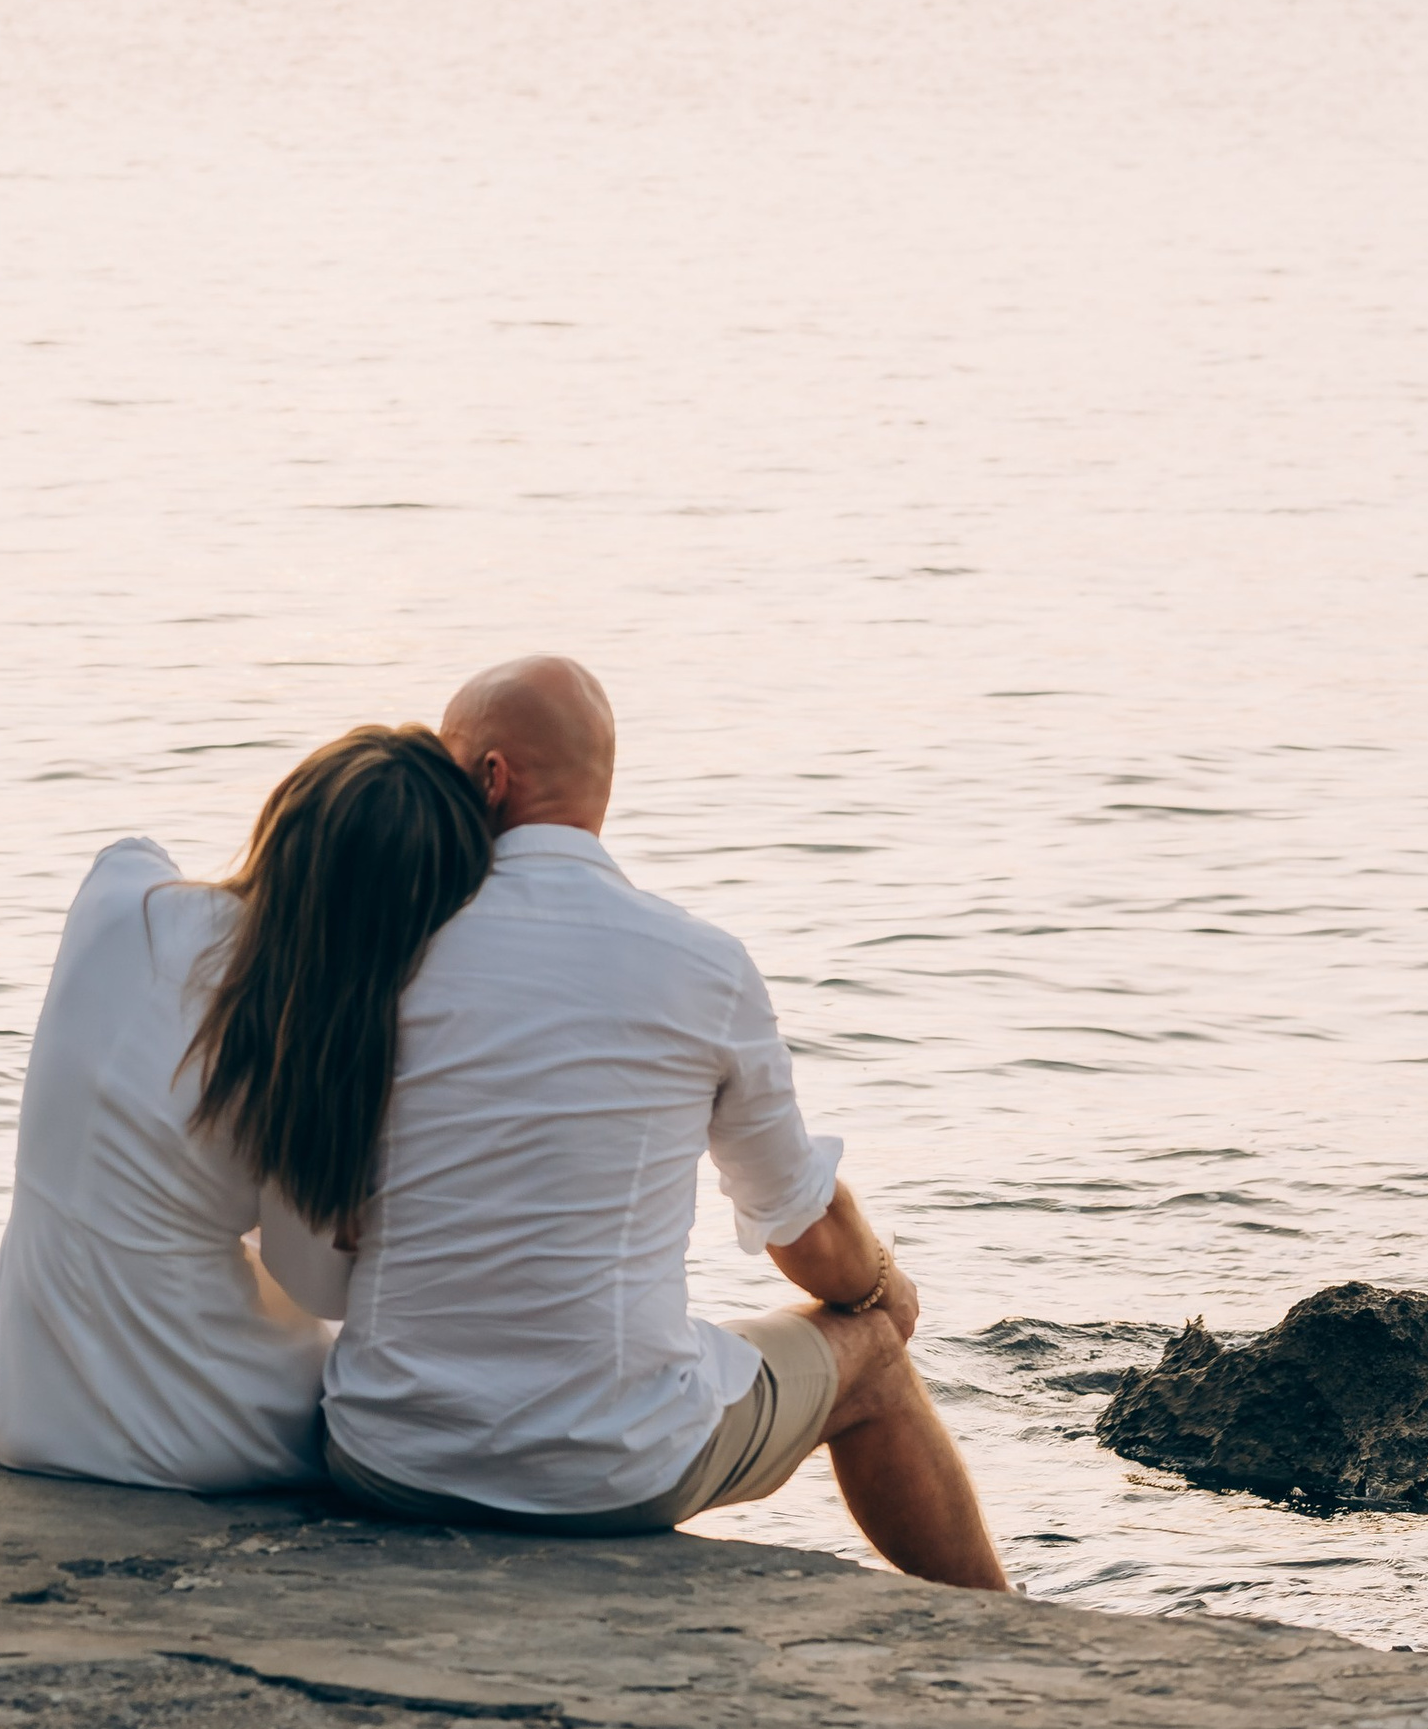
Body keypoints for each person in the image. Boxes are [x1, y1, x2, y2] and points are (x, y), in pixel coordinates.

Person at [320, 655, 1009, 1585]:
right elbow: (807, 1238)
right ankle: (1006, 1638)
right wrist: (885, 1289)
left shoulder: (378, 946)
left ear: (488, 779)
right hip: (603, 1474)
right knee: (874, 1361)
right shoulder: (701, 964)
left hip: (385, 1456)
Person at [0, 722, 491, 1492]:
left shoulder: (119, 897)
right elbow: (317, 1287)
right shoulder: (305, 1045)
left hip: (25, 1410)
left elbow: (135, 850)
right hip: (201, 1432)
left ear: (286, 815)